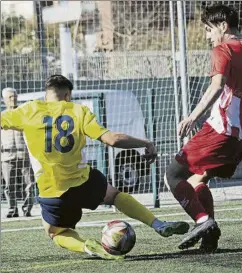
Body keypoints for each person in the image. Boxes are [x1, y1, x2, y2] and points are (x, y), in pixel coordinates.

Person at [1, 75, 189, 260]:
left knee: (56, 233)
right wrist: (144, 142)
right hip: (84, 181)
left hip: (52, 191)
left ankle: (87, 246)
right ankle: (158, 224)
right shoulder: (78, 111)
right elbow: (112, 139)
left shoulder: (28, 110)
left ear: (46, 95)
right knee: (114, 195)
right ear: (68, 96)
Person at [164, 4, 242, 253]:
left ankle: (202, 221)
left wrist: (192, 116)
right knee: (199, 177)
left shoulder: (223, 49)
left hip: (221, 131)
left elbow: (217, 86)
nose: (208, 36)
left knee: (173, 175)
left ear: (223, 26)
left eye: (209, 30)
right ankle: (210, 239)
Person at [1, 87, 35, 218]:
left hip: (25, 155)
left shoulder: (24, 114)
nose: (13, 99)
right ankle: (12, 209)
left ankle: (27, 209)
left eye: (14, 96)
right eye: (10, 97)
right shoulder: (2, 116)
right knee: (9, 186)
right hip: (6, 156)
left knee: (30, 184)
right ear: (4, 100)